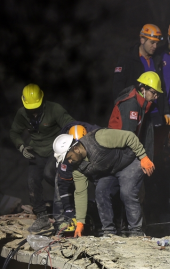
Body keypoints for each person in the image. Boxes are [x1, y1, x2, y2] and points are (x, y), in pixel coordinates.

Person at [52, 129, 156, 237]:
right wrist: (80, 222)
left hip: (129, 163)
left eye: (69, 157)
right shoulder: (77, 168)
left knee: (127, 191)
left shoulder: (99, 138)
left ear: (76, 149)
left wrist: (143, 156)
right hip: (111, 171)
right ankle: (109, 232)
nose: (69, 162)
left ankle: (136, 231)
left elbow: (129, 136)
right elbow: (80, 193)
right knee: (101, 191)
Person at [10, 84, 74, 233]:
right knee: (32, 181)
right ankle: (42, 217)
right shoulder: (22, 114)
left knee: (50, 175)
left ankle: (67, 207)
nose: (33, 111)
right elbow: (14, 132)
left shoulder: (54, 109)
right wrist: (21, 146)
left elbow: (71, 124)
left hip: (55, 150)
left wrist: (67, 145)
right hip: (36, 151)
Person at [112, 24, 170, 126]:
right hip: (135, 112)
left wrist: (165, 111)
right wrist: (123, 109)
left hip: (155, 113)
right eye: (152, 43)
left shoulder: (157, 60)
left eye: (157, 43)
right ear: (142, 40)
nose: (155, 46)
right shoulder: (128, 60)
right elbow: (118, 87)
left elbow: (161, 87)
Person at [54, 123, 101, 231]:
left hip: (95, 165)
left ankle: (101, 221)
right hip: (75, 171)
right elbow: (63, 183)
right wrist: (68, 209)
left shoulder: (96, 142)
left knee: (103, 188)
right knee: (60, 180)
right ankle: (61, 221)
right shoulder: (67, 154)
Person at [109, 71, 163, 157]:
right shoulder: (131, 104)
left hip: (127, 149)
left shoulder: (143, 104)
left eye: (158, 94)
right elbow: (128, 137)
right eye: (153, 92)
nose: (156, 97)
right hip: (118, 151)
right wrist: (142, 156)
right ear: (142, 89)